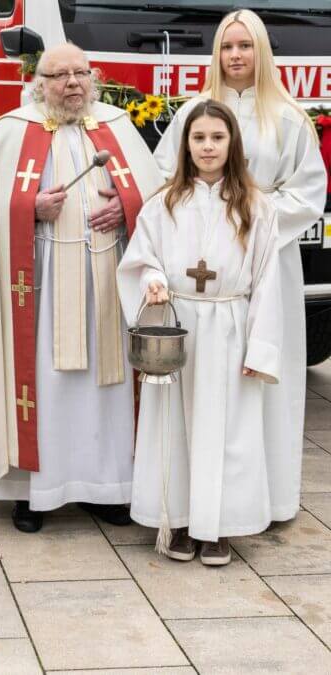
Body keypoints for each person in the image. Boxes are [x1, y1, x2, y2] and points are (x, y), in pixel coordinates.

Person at [0, 43, 162, 532]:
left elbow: (157, 196)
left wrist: (127, 208)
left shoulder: (118, 125)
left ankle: (106, 488)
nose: (73, 83)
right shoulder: (14, 129)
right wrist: (27, 208)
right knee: (43, 387)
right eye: (60, 75)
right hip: (37, 284)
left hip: (106, 283)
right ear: (39, 81)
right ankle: (32, 492)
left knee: (108, 386)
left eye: (81, 73)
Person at [153, 9, 327, 524]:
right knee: (207, 384)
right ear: (216, 54)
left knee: (267, 378)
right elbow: (166, 177)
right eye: (227, 47)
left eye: (245, 46)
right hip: (206, 268)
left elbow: (309, 191)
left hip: (269, 261)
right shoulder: (195, 113)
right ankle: (199, 498)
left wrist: (247, 214)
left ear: (261, 52)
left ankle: (267, 498)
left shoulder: (289, 117)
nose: (235, 56)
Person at [119, 100, 282, 565]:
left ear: (232, 144)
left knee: (228, 431)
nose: (207, 147)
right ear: (185, 145)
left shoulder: (256, 207)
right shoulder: (165, 203)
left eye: (217, 138)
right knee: (175, 427)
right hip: (180, 329)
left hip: (231, 327)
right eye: (198, 138)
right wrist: (152, 278)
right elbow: (140, 257)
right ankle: (181, 521)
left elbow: (268, 282)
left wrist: (261, 347)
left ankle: (220, 526)